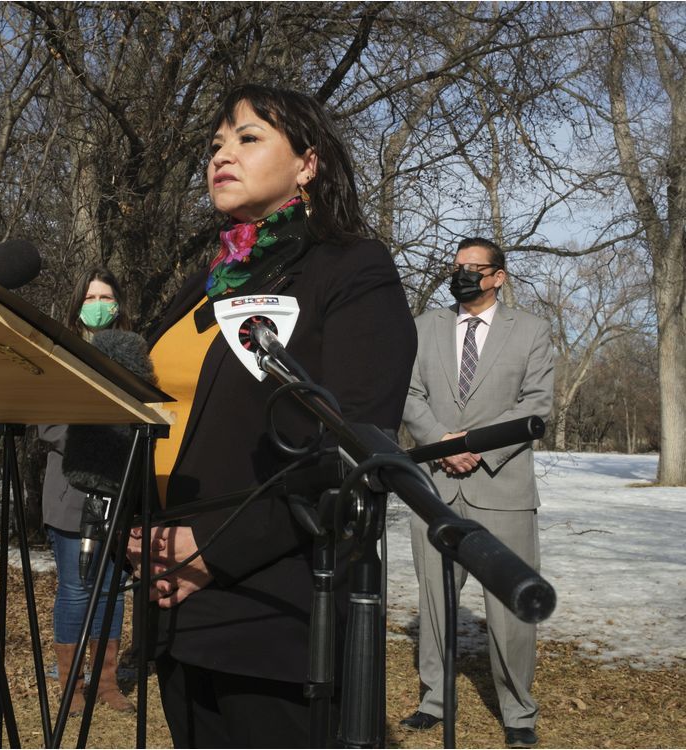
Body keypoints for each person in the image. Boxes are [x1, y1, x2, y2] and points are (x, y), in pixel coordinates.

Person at [128, 84, 417, 747]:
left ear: (307, 163)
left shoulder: (349, 268)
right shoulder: (206, 282)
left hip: (276, 610)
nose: (222, 155)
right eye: (215, 145)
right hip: (178, 603)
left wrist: (214, 550)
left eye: (249, 138)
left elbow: (352, 445)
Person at [400, 237, 554, 748]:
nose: (462, 273)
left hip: (502, 488)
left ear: (498, 277)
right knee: (436, 598)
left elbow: (537, 405)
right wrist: (439, 441)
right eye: (456, 266)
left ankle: (518, 711)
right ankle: (434, 700)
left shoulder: (530, 330)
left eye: (474, 267)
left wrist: (478, 449)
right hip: (435, 485)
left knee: (509, 606)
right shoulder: (425, 327)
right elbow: (409, 392)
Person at [39, 266, 136, 716]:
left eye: (106, 296)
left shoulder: (133, 355)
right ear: (79, 304)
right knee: (77, 588)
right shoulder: (61, 353)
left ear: (118, 303)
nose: (99, 304)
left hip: (121, 489)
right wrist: (97, 442)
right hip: (72, 489)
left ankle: (106, 681)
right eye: (91, 296)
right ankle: (71, 682)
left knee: (111, 589)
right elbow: (50, 423)